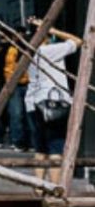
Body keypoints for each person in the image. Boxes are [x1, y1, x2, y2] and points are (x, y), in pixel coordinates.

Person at [27, 25, 81, 179]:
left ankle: (39, 187)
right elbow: (77, 41)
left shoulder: (27, 52)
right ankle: (53, 187)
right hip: (53, 104)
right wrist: (54, 30)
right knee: (55, 147)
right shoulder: (49, 51)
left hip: (33, 103)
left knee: (40, 147)